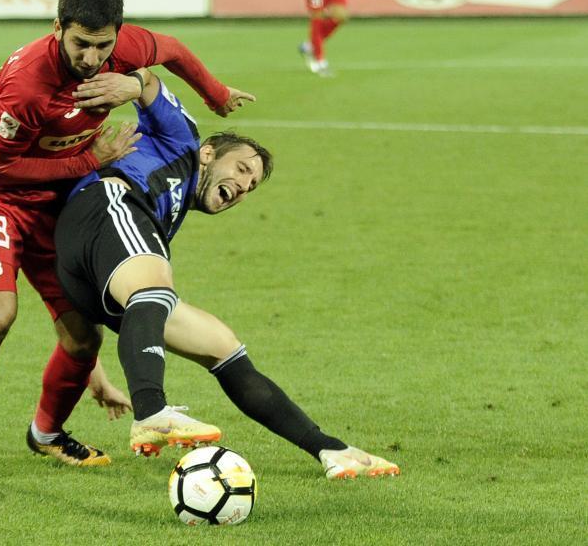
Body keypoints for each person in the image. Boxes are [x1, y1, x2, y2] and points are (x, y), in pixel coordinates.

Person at [0, 0, 256, 485]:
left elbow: (171, 50)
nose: (92, 57)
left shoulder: (122, 49)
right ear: (58, 27)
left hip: (57, 198)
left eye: (103, 45)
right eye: (81, 43)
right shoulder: (26, 85)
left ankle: (46, 433)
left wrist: (214, 94)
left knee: (83, 338)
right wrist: (88, 159)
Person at [52, 68, 401, 479]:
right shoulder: (182, 141)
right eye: (241, 169)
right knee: (154, 289)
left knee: (223, 347)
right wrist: (134, 83)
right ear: (209, 153)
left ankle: (330, 450)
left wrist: (91, 370)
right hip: (107, 202)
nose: (243, 186)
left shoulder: (164, 219)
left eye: (251, 186)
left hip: (87, 267)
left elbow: (79, 319)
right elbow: (149, 82)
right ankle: (152, 411)